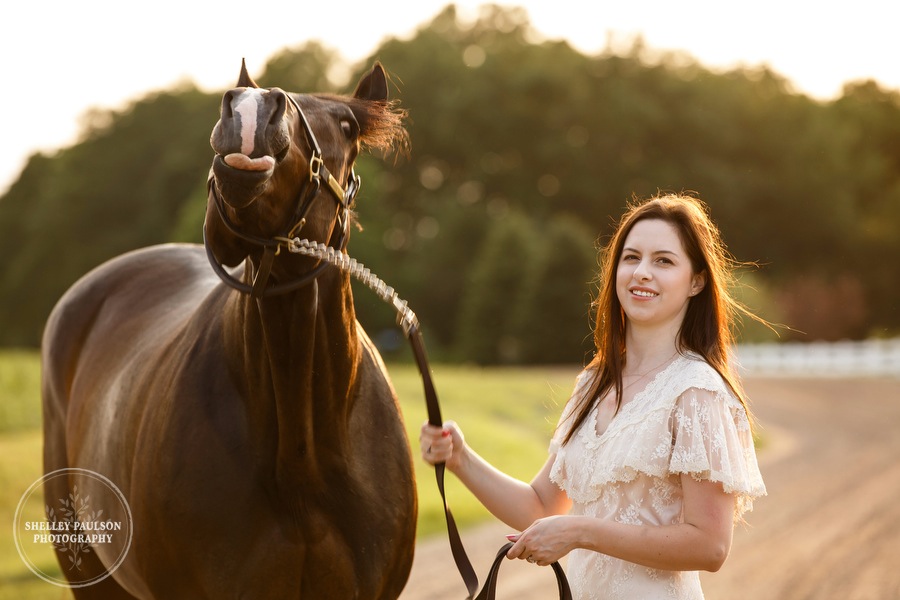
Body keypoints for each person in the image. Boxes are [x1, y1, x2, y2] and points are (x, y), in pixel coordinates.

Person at [420, 193, 767, 599]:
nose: (641, 272)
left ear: (696, 281)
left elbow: (710, 546)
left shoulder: (696, 392)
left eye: (664, 261)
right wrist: (459, 458)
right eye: (631, 257)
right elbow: (541, 507)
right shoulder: (594, 383)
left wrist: (581, 531)